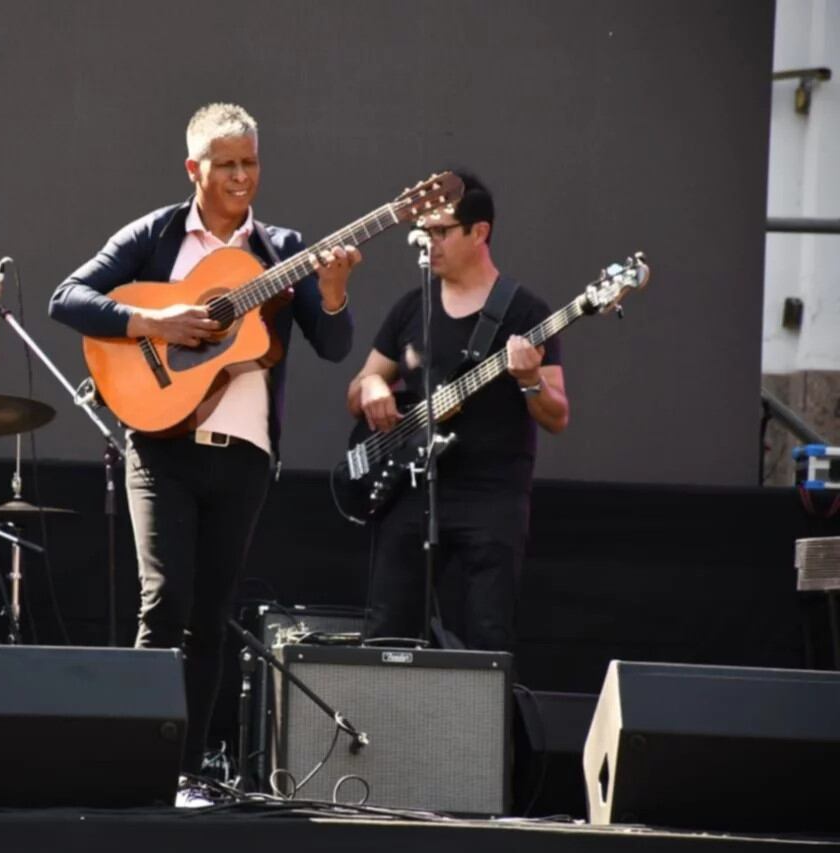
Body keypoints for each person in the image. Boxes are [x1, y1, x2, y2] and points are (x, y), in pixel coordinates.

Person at [49, 103, 359, 780]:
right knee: (164, 604)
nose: (242, 176)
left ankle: (184, 774)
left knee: (211, 618)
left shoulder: (282, 249)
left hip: (245, 457)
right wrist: (153, 320)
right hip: (161, 445)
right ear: (194, 168)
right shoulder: (158, 235)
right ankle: (137, 768)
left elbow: (334, 346)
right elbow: (66, 297)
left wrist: (332, 293)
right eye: (227, 164)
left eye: (250, 162)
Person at [346, 171, 568, 652]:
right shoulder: (412, 307)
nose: (429, 244)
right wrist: (370, 389)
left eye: (441, 231)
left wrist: (529, 379)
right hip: (410, 492)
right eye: (424, 233)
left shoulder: (525, 312)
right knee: (388, 631)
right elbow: (359, 385)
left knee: (486, 637)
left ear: (479, 231)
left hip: (490, 499)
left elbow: (557, 415)